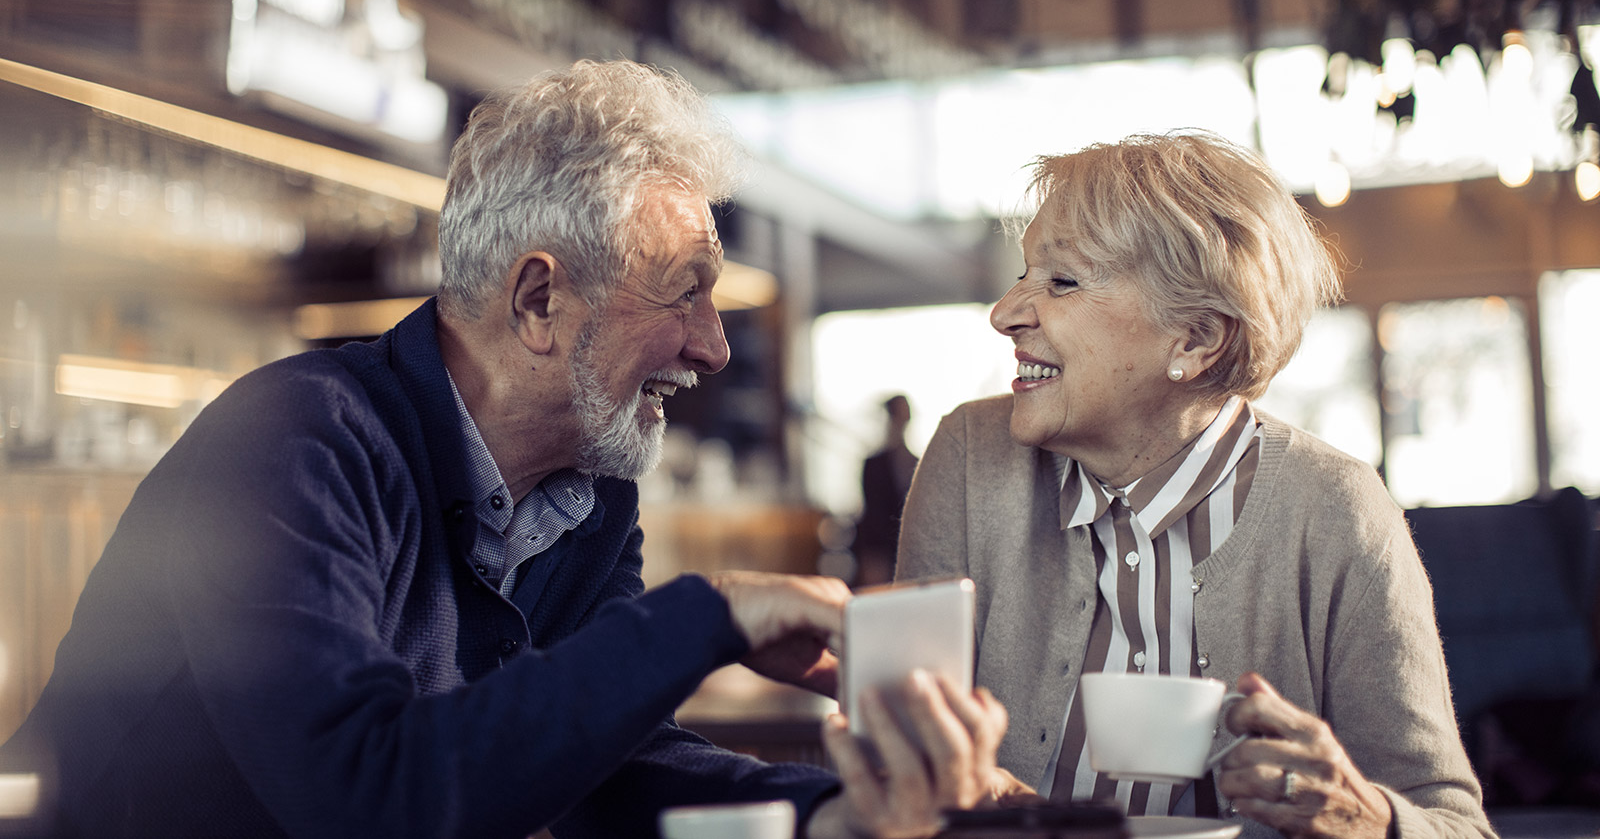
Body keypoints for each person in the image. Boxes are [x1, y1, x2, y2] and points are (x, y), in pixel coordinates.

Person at [0, 60, 1009, 839]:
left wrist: (852, 811)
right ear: (538, 299)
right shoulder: (292, 443)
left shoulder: (591, 493)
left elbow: (603, 765)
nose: (714, 343)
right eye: (685, 289)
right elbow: (366, 797)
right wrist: (708, 613)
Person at [895, 131, 1495, 839]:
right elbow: (896, 747)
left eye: (1061, 281)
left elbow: (1458, 826)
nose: (1006, 312)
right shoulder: (971, 457)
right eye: (1025, 274)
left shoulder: (1337, 510)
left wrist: (1366, 816)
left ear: (1195, 340)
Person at [853, 394, 918, 585]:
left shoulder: (916, 461)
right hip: (879, 553)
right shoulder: (874, 464)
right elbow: (872, 514)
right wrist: (872, 557)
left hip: (907, 549)